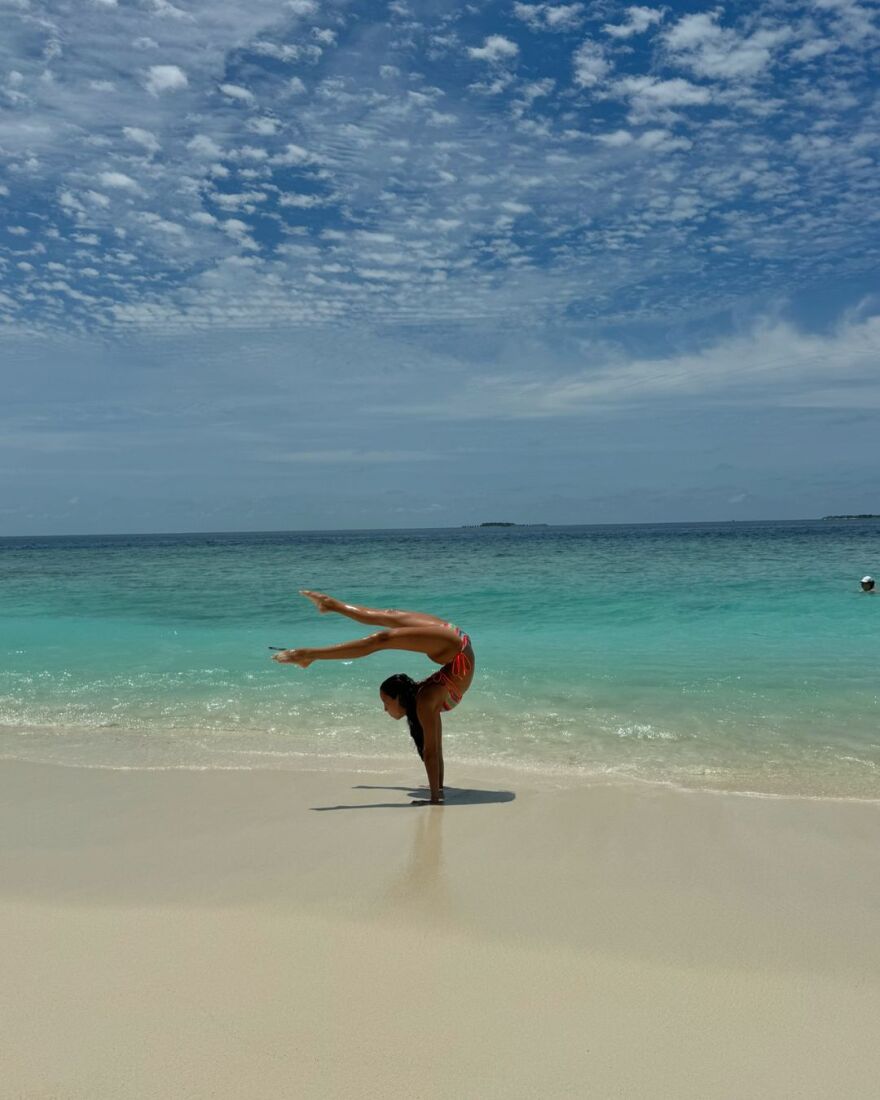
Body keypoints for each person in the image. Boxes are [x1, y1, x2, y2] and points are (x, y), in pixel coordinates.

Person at [272, 591, 475, 805]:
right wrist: (437, 791)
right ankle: (330, 606)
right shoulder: (426, 697)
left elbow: (432, 751)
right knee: (388, 618)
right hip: (456, 643)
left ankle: (311, 649)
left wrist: (435, 799)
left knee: (382, 635)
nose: (385, 709)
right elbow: (435, 749)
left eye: (386, 703)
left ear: (399, 698)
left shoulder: (425, 699)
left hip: (456, 647)